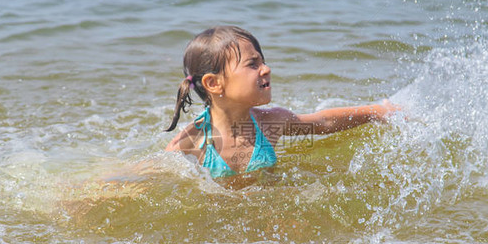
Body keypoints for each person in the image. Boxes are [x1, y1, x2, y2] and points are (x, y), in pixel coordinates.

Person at [165, 26, 403, 178]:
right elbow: (158, 172)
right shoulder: (193, 141)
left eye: (263, 61)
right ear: (214, 83)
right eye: (253, 64)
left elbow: (323, 122)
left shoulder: (271, 123)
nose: (266, 69)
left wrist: (379, 111)